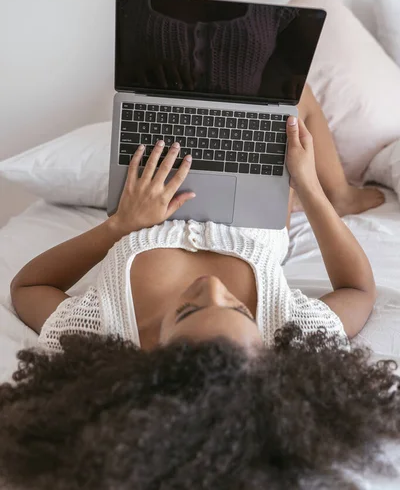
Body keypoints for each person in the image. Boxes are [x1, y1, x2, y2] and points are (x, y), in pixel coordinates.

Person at [1, 86, 398, 490]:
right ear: (263, 351)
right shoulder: (286, 329)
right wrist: (310, 189)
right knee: (292, 93)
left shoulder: (103, 330)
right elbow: (357, 290)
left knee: (155, 83)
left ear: (154, 356)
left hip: (153, 194)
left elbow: (30, 285)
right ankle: (341, 195)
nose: (211, 287)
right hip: (254, 193)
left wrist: (120, 226)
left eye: (188, 309)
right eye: (237, 308)